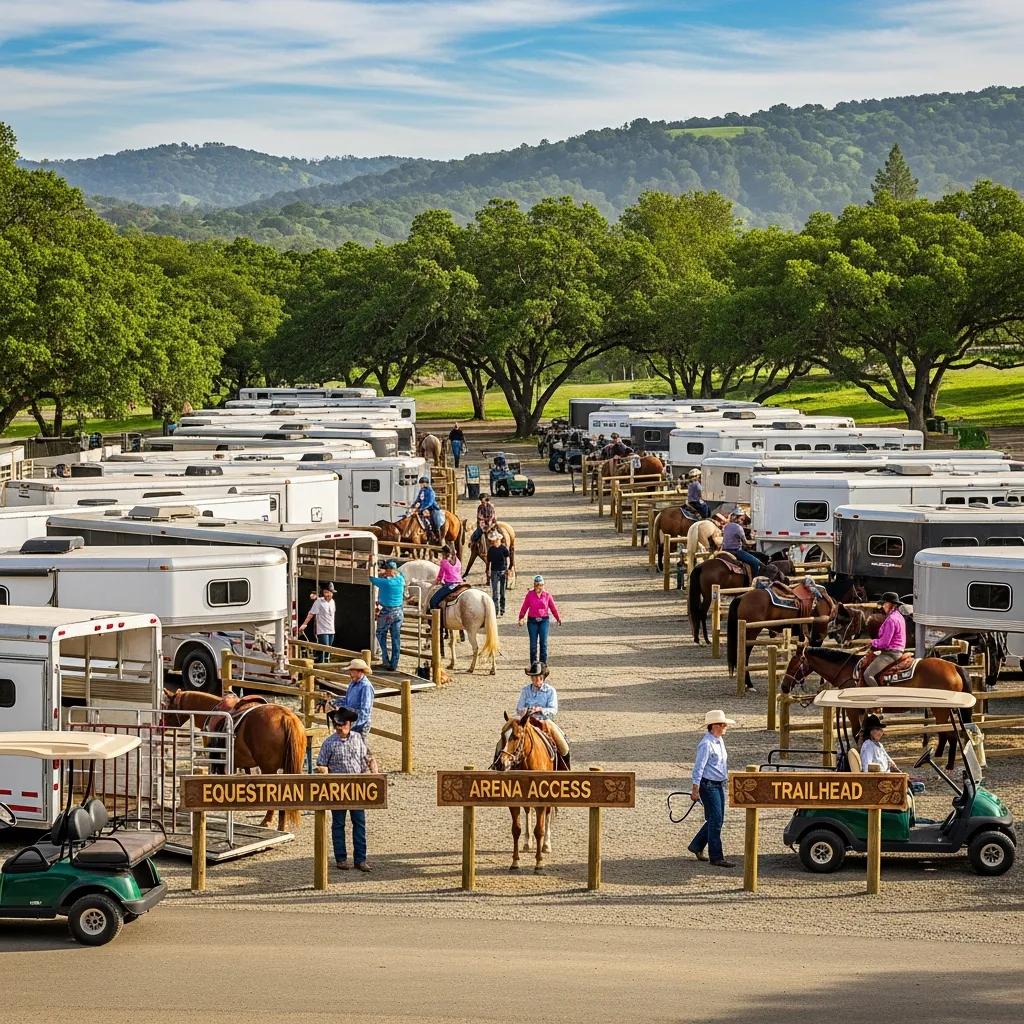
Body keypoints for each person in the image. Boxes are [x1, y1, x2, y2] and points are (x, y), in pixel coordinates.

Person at [316, 707, 379, 872]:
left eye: (342, 724)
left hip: (357, 788)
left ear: (349, 724)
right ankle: (341, 858)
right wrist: (326, 775)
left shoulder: (358, 738)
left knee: (359, 823)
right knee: (338, 824)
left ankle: (360, 859)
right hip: (337, 789)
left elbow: (368, 758)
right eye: (337, 724)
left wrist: (375, 774)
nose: (339, 727)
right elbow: (321, 764)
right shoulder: (329, 743)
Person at [688, 710, 737, 867]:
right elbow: (699, 768)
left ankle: (697, 845)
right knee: (716, 820)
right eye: (723, 724)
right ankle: (716, 857)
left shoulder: (718, 740)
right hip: (708, 785)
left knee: (716, 819)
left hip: (717, 784)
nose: (725, 727)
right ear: (715, 726)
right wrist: (695, 789)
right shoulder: (706, 744)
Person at [515, 663, 569, 767]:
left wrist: (541, 710)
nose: (535, 679)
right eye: (533, 677)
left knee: (564, 746)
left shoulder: (550, 691)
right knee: (507, 734)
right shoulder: (525, 690)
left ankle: (565, 769)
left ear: (543, 677)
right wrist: (527, 710)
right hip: (527, 721)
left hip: (544, 721)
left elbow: (553, 710)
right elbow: (519, 708)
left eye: (538, 677)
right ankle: (498, 762)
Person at [369, 560, 406, 672]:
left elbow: (371, 578)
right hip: (399, 611)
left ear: (389, 570)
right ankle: (394, 663)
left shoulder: (386, 583)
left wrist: (372, 566)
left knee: (380, 634)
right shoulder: (401, 580)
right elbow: (399, 574)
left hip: (387, 612)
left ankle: (385, 659)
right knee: (396, 637)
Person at [862, 592, 906, 684]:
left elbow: (884, 643)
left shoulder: (891, 620)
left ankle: (877, 695)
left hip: (890, 653)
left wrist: (873, 642)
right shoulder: (899, 616)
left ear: (891, 605)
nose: (883, 606)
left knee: (868, 674)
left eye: (884, 603)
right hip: (898, 650)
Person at [518, 574, 562, 666]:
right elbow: (524, 606)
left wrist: (557, 618)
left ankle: (543, 663)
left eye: (540, 585)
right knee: (533, 644)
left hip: (544, 620)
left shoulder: (547, 595)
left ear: (543, 585)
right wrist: (521, 617)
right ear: (534, 585)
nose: (538, 587)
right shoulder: (530, 595)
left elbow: (553, 607)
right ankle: (533, 663)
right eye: (537, 585)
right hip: (532, 621)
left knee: (543, 643)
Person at [330, 659, 375, 736]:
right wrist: (334, 702)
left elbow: (365, 711)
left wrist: (351, 726)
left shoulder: (366, 687)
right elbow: (347, 700)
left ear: (360, 671)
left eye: (352, 671)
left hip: (360, 725)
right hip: (350, 722)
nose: (350, 674)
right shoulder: (352, 683)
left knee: (358, 746)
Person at [298, 582, 336, 664]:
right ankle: (319, 664)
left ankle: (326, 664)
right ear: (324, 592)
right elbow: (311, 613)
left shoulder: (332, 602)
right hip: (322, 630)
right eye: (327, 592)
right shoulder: (319, 602)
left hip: (331, 629)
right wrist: (305, 624)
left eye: (330, 592)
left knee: (328, 650)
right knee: (323, 647)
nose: (329, 594)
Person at [721, 510, 761, 581]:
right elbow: (746, 542)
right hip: (735, 551)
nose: (742, 521)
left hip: (724, 551)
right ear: (736, 518)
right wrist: (755, 541)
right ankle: (754, 583)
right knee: (756, 563)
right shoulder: (739, 528)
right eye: (741, 519)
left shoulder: (726, 526)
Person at [410, 476, 445, 544]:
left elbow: (429, 502)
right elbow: (418, 499)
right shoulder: (422, 491)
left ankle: (438, 536)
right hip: (423, 509)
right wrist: (413, 505)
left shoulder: (431, 492)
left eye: (421, 484)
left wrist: (421, 508)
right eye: (420, 484)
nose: (420, 485)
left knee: (436, 522)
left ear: (425, 483)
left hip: (432, 509)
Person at [429, 546, 463, 611]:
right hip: (459, 583)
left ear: (443, 553)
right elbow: (457, 572)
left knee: (433, 601)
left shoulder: (444, 562)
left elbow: (440, 575)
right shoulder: (458, 561)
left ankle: (438, 618)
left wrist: (437, 581)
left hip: (450, 585)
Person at [486, 534, 510, 616]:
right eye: (494, 540)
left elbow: (507, 558)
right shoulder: (491, 550)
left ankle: (502, 608)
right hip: (494, 571)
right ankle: (495, 610)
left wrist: (508, 569)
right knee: (495, 592)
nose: (495, 542)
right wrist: (487, 570)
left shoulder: (503, 549)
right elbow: (488, 561)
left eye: (496, 540)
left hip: (502, 571)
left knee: (502, 592)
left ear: (499, 540)